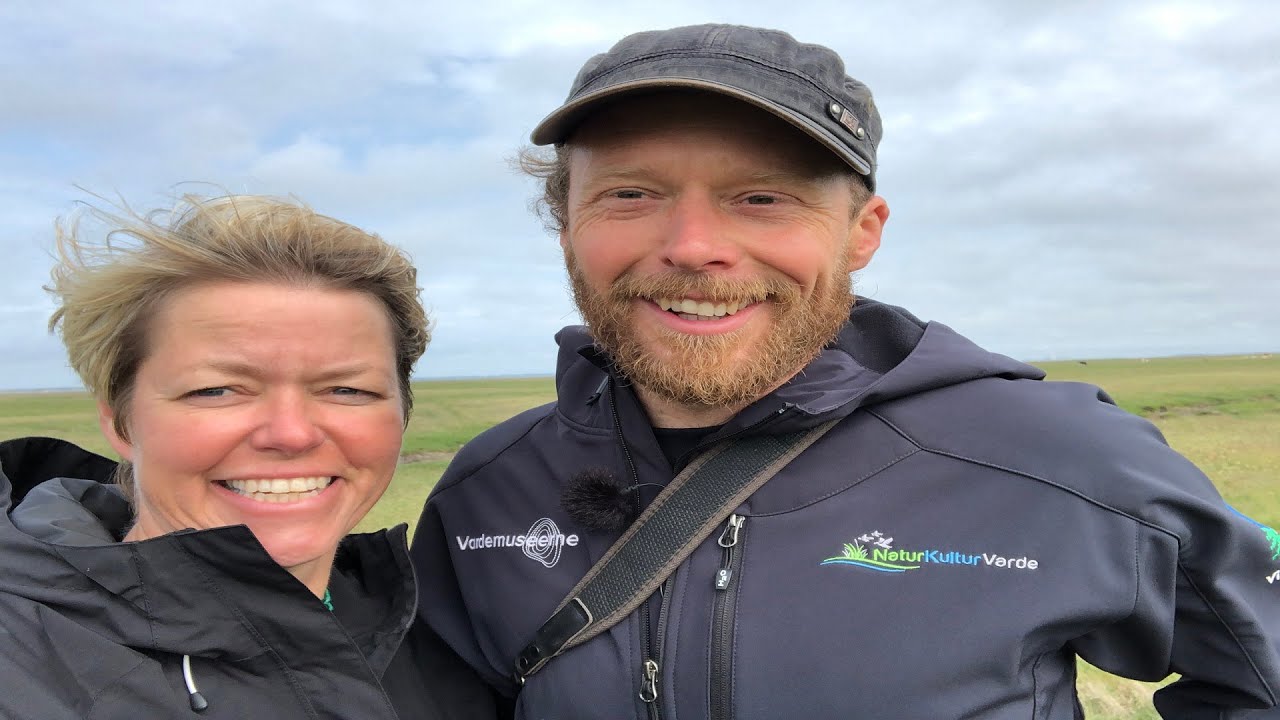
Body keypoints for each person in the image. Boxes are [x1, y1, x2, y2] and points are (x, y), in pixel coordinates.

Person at [410, 23, 1280, 720]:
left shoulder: (1065, 457)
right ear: (565, 223)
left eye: (763, 197)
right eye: (630, 195)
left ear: (862, 231)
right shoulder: (486, 490)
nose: (693, 248)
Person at [0, 195, 498, 719]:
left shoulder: (446, 639)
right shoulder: (23, 669)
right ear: (120, 422)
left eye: (348, 390)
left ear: (401, 414)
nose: (291, 434)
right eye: (216, 390)